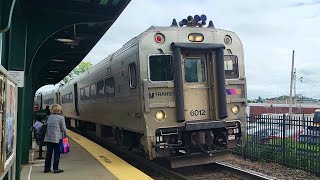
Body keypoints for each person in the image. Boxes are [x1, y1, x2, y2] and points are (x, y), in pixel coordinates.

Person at [43, 104, 66, 173]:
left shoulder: (49, 117)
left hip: (48, 138)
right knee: (57, 153)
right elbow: (63, 129)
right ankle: (55, 169)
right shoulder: (61, 118)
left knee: (48, 154)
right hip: (57, 138)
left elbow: (45, 125)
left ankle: (46, 169)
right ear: (59, 110)